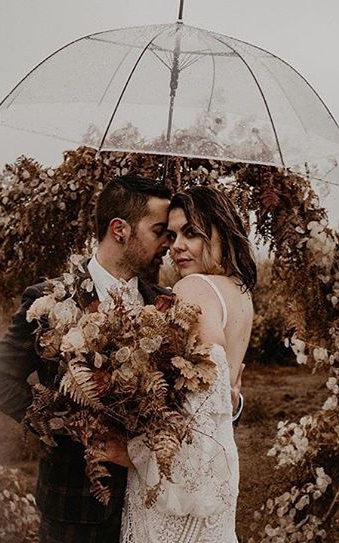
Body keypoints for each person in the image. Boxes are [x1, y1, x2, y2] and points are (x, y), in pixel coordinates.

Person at [0, 174, 173, 543]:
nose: (167, 242)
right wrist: (70, 427)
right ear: (120, 229)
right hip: (76, 506)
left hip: (152, 505)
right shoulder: (49, 300)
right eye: (159, 230)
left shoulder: (165, 304)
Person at [118, 185, 256, 543]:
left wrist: (129, 454)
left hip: (179, 496)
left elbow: (193, 429)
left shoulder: (194, 289)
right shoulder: (240, 294)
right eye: (172, 234)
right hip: (220, 483)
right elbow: (220, 401)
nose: (176, 246)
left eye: (191, 233)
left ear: (221, 233)